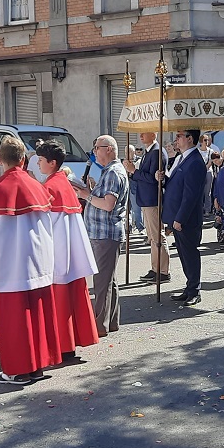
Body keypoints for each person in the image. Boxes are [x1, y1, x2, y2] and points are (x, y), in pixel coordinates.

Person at [0, 136, 62, 385]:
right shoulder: (37, 186)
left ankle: (18, 371)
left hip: (9, 265)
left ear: (0, 160)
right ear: (23, 159)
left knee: (14, 321)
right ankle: (37, 366)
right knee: (37, 316)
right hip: (37, 262)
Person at [38, 142, 100, 354]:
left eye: (40, 160)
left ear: (52, 163)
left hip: (58, 253)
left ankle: (62, 346)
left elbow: (46, 227)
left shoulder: (49, 187)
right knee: (74, 297)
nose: (37, 163)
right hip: (73, 252)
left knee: (60, 300)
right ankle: (72, 343)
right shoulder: (63, 182)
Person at [75, 135, 130, 332]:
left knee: (102, 283)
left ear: (109, 149)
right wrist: (90, 190)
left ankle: (99, 325)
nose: (94, 152)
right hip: (104, 232)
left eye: (97, 147)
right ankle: (111, 322)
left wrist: (85, 195)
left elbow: (108, 204)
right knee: (108, 280)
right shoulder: (110, 171)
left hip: (105, 233)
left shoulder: (113, 172)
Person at [158, 130, 206, 306]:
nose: (176, 139)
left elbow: (190, 195)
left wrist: (180, 218)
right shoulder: (182, 158)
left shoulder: (194, 161)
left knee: (190, 254)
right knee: (184, 254)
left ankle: (195, 289)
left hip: (187, 219)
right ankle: (189, 287)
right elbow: (176, 184)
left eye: (179, 136)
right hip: (177, 216)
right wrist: (163, 178)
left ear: (190, 138)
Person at [128, 132, 170, 283]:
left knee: (157, 235)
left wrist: (134, 171)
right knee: (152, 237)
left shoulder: (157, 152)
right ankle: (155, 268)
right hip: (146, 199)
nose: (140, 135)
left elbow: (153, 179)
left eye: (144, 133)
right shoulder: (149, 151)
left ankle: (163, 271)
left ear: (153, 134)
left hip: (153, 198)